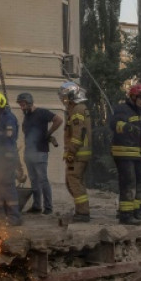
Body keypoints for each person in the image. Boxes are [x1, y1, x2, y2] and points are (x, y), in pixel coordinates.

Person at [17, 93, 62, 215]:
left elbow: (58, 119)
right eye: (20, 105)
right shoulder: (27, 116)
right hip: (29, 153)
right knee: (33, 180)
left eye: (23, 104)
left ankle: (48, 207)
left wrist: (49, 133)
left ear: (30, 102)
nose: (22, 107)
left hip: (40, 152)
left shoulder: (42, 113)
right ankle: (37, 206)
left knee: (42, 180)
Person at [109, 83, 141, 225]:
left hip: (135, 153)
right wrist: (127, 127)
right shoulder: (122, 109)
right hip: (123, 153)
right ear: (132, 96)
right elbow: (113, 124)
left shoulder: (138, 111)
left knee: (139, 182)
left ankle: (136, 212)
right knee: (128, 183)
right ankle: (125, 215)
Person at [0, 91, 22, 226]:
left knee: (8, 186)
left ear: (0, 106)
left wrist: (3, 163)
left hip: (6, 162)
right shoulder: (1, 119)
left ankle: (14, 217)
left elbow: (8, 142)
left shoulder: (9, 119)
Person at [59, 81, 91, 223]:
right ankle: (81, 210)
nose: (63, 100)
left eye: (64, 97)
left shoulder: (77, 109)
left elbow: (78, 133)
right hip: (80, 153)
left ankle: (83, 213)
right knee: (74, 181)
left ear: (71, 96)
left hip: (77, 154)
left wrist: (71, 151)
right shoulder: (78, 108)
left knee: (73, 181)